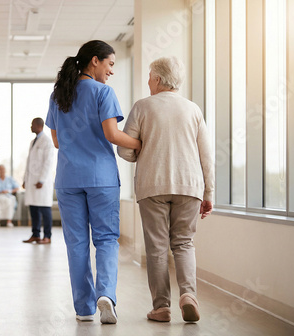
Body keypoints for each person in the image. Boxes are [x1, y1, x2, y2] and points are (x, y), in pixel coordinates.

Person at [45, 40, 141, 324]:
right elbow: (112, 134)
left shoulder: (58, 94)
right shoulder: (103, 92)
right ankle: (106, 296)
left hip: (68, 178)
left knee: (76, 243)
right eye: (110, 64)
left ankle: (84, 309)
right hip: (100, 178)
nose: (111, 71)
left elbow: (57, 140)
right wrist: (141, 142)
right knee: (106, 239)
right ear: (95, 61)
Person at [117, 56, 214, 323]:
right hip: (189, 185)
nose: (148, 80)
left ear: (158, 79)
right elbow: (206, 155)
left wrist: (147, 151)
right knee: (184, 243)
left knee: (157, 247)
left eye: (150, 76)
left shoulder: (143, 106)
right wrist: (209, 194)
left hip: (153, 185)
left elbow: (125, 149)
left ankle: (161, 307)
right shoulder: (193, 109)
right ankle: (189, 296)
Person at [22, 118, 54, 245]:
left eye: (32, 125)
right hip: (32, 181)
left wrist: (42, 179)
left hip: (42, 182)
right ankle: (35, 234)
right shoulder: (32, 142)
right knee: (34, 209)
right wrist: (25, 179)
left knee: (45, 209)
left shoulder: (47, 142)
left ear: (38, 126)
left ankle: (47, 236)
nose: (31, 127)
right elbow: (29, 163)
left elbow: (48, 163)